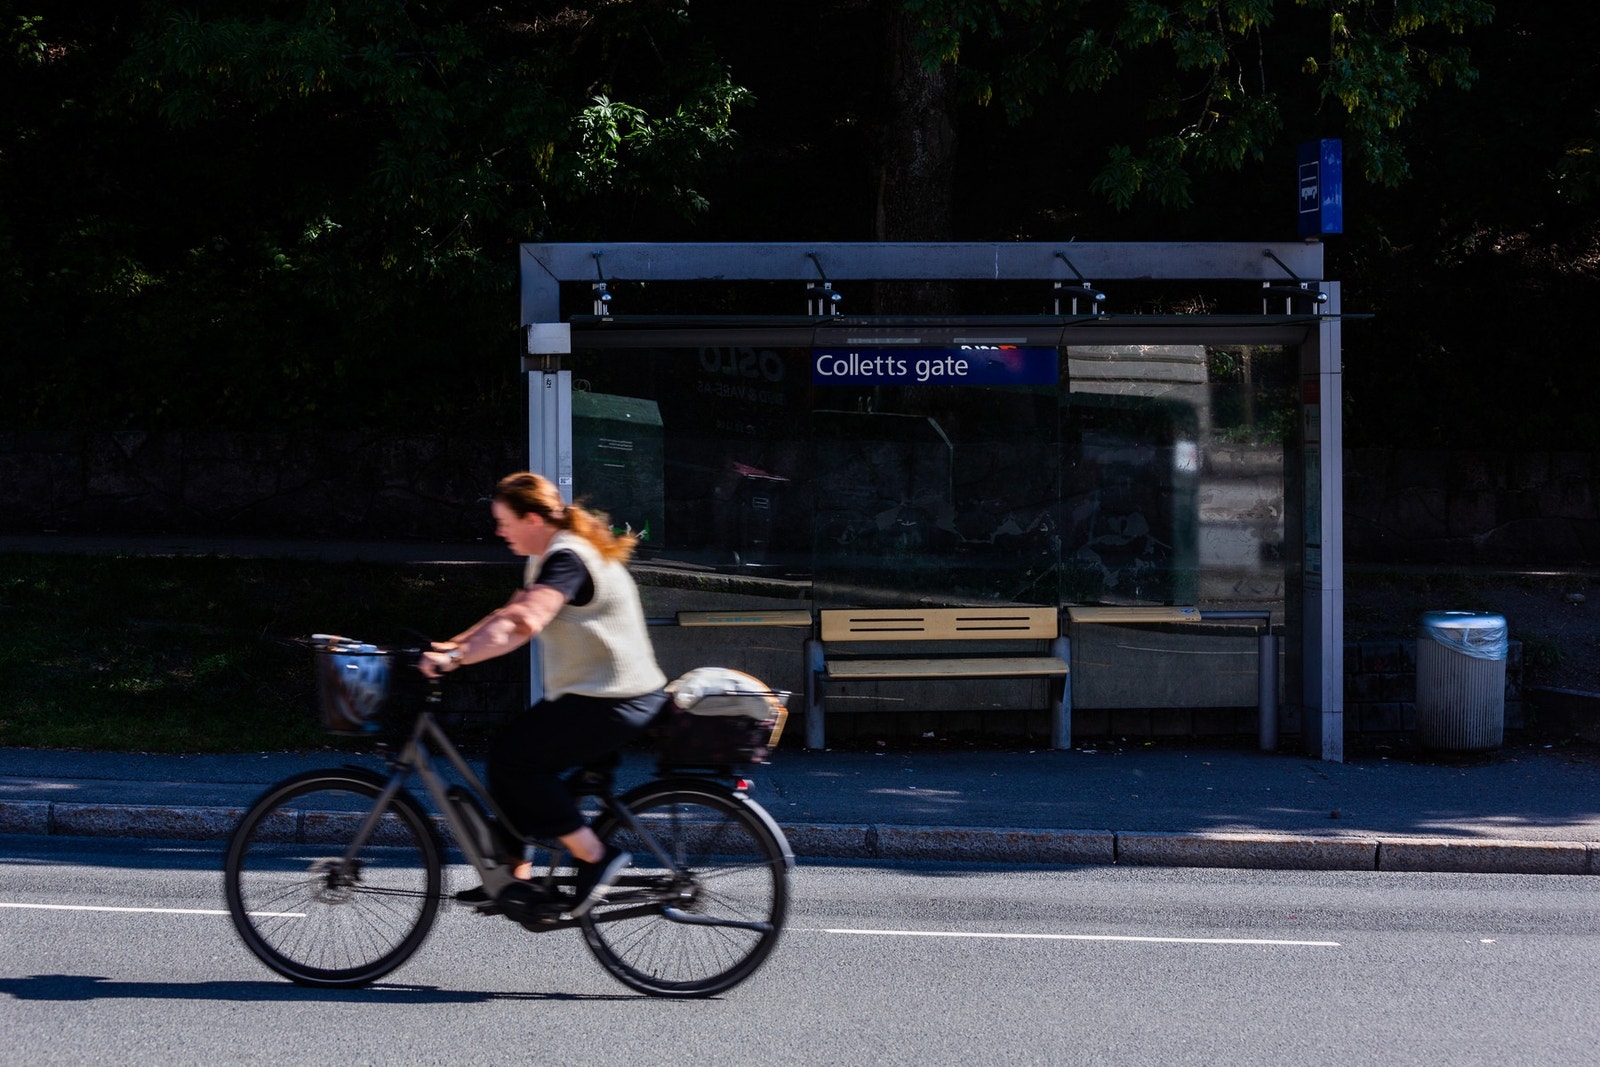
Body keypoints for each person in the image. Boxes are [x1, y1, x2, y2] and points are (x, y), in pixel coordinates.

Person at [417, 471, 668, 916]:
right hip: (604, 695)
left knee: (516, 762)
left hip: (613, 699)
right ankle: (514, 880)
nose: (499, 532)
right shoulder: (549, 554)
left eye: (503, 521)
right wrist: (449, 648)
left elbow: (526, 621)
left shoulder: (567, 558)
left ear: (532, 518)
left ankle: (597, 856)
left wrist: (453, 660)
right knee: (519, 766)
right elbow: (508, 615)